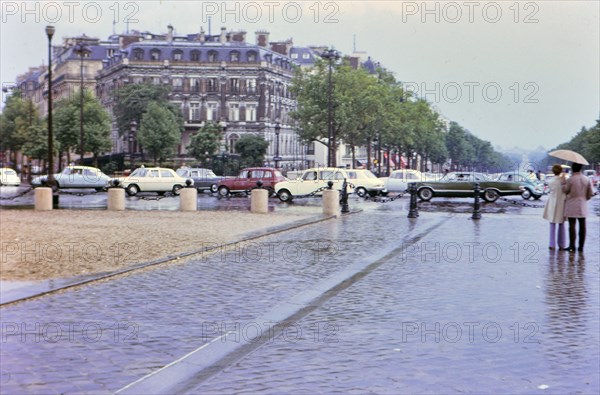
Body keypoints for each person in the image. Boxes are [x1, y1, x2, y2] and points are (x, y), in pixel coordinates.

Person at [561, 162, 594, 252]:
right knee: (583, 226)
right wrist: (584, 199)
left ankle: (572, 246)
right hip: (582, 204)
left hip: (571, 204)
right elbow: (590, 193)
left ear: (572, 169)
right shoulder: (587, 179)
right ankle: (581, 247)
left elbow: (566, 190)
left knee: (572, 226)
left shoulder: (570, 180)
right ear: (580, 168)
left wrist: (563, 183)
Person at [542, 164, 567, 250]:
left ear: (553, 171)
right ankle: (562, 244)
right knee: (561, 224)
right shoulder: (563, 181)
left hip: (552, 203)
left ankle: (552, 244)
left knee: (552, 224)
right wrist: (564, 179)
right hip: (562, 202)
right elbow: (566, 190)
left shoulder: (550, 181)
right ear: (560, 171)